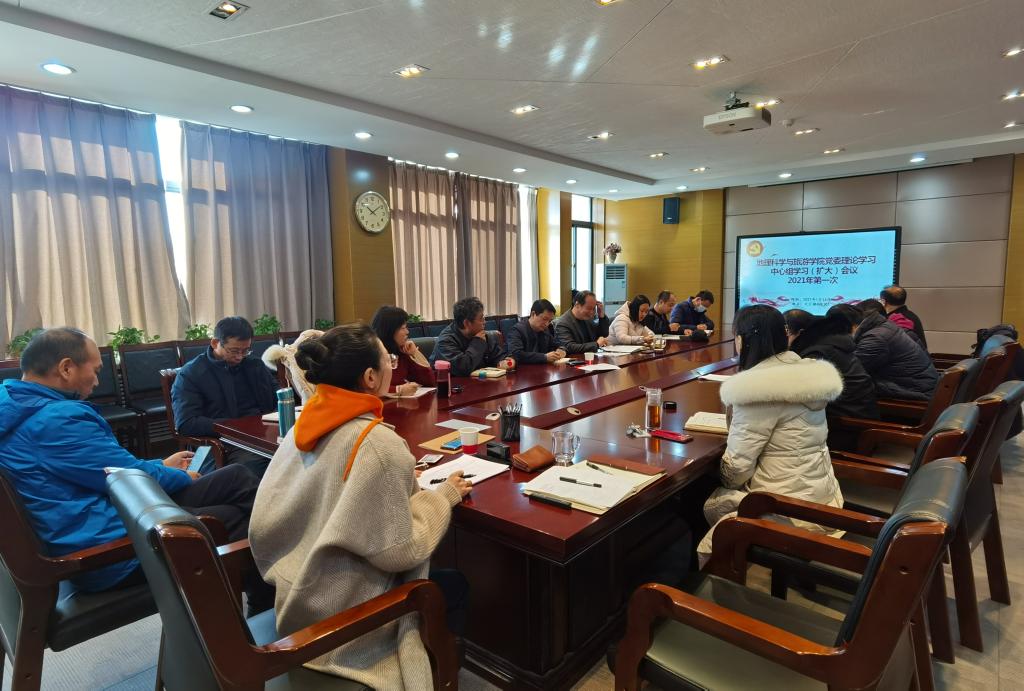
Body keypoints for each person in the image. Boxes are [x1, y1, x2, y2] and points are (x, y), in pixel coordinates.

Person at [249, 324, 473, 688]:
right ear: (370, 377)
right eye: (388, 360)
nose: (392, 365)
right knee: (454, 585)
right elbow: (402, 550)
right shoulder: (377, 444)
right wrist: (443, 495)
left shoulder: (302, 425)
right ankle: (442, 675)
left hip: (296, 600)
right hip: (343, 621)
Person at [0, 328, 270, 609]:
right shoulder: (55, 421)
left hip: (103, 513)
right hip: (110, 547)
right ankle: (262, 606)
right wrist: (179, 475)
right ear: (66, 368)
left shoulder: (13, 404)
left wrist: (161, 464)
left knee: (236, 476)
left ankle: (274, 578)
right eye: (95, 370)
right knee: (231, 518)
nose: (97, 380)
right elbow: (126, 480)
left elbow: (101, 470)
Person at [698, 305, 844, 565]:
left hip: (786, 509)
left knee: (699, 492)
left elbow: (737, 470)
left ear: (741, 340)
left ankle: (714, 577)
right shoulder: (805, 372)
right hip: (823, 498)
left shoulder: (758, 388)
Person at [171, 316, 278, 475]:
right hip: (221, 441)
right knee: (255, 466)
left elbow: (277, 398)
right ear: (215, 343)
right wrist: (233, 427)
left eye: (245, 350)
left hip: (262, 436)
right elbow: (186, 423)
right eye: (234, 351)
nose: (240, 357)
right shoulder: (192, 374)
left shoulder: (254, 365)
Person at [785, 308, 879, 420]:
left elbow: (805, 396)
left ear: (800, 332)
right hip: (856, 410)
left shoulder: (816, 353)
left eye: (786, 333)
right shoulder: (829, 342)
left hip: (848, 419)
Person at [852, 300, 938, 400]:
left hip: (914, 391)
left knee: (850, 388)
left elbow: (853, 370)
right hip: (923, 386)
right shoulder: (890, 328)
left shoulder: (877, 337)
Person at [430, 297, 514, 376]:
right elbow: (463, 368)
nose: (484, 322)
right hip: (455, 385)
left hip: (482, 384)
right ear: (467, 323)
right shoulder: (445, 341)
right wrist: (477, 343)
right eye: (481, 319)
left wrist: (508, 362)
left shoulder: (483, 335)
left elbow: (499, 357)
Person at [371, 305, 436, 395]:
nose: (407, 332)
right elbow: (369, 389)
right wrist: (398, 390)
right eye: (403, 328)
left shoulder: (401, 351)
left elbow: (430, 382)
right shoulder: (371, 354)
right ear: (390, 331)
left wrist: (415, 353)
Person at [505, 299, 566, 364]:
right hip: (524, 369)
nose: (547, 324)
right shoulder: (516, 330)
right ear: (533, 314)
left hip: (542, 368)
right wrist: (544, 357)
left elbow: (557, 345)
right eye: (544, 319)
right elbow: (517, 355)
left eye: (549, 321)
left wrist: (561, 350)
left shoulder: (545, 330)